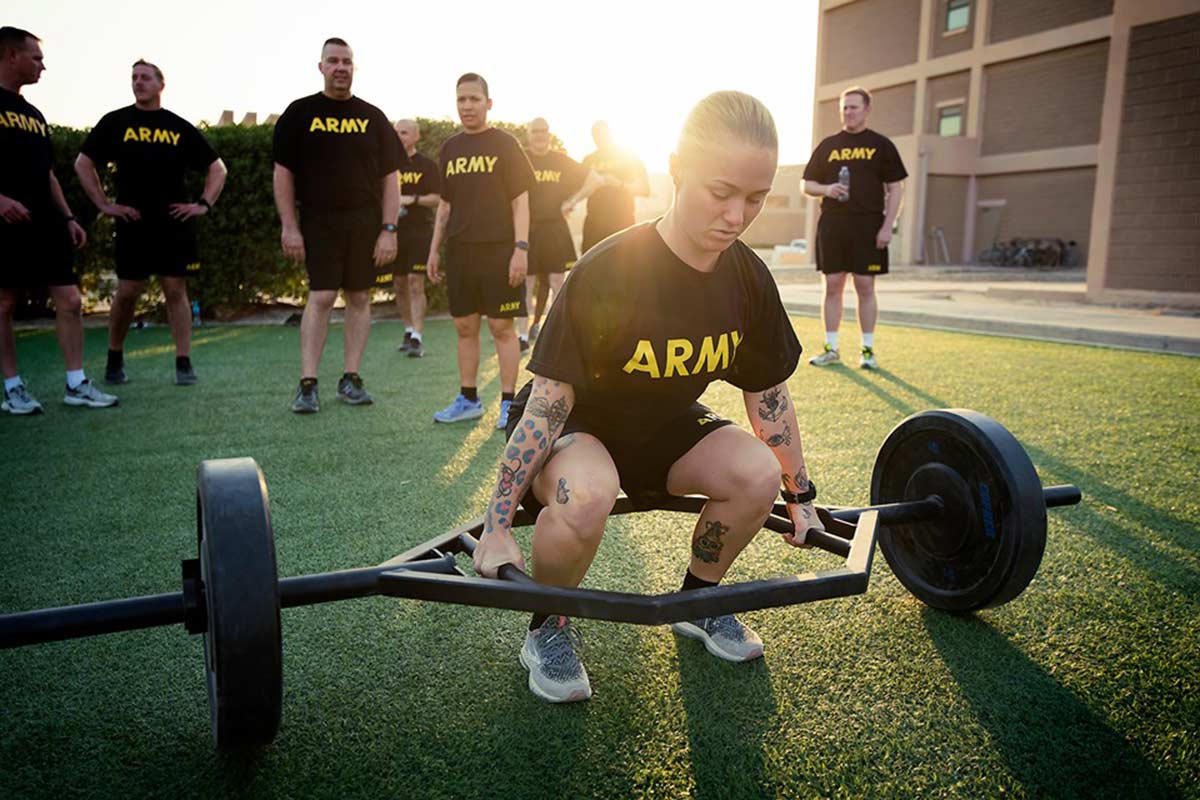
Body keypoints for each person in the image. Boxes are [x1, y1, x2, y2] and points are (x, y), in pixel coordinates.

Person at [472, 91, 822, 703]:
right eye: (721, 192)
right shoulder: (610, 271)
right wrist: (498, 523)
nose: (738, 215)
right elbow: (548, 405)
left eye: (755, 198)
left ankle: (699, 597)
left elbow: (768, 394)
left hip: (663, 426)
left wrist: (801, 496)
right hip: (577, 425)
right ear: (678, 170)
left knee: (755, 473)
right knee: (588, 493)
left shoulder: (747, 278)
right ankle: (548, 627)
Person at [272, 37, 405, 413]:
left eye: (347, 61)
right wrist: (289, 226)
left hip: (365, 222)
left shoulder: (373, 117)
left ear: (354, 67)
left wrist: (388, 228)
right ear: (321, 67)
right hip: (318, 220)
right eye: (333, 61)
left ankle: (351, 378)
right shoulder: (299, 114)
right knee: (323, 296)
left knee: (360, 297)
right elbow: (283, 174)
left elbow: (390, 179)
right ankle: (308, 383)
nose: (341, 67)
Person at [75, 59, 227, 386]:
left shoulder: (178, 126)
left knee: (175, 288)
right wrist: (103, 204)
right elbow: (83, 163)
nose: (138, 82)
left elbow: (218, 168)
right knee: (128, 290)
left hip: (173, 221)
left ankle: (183, 362)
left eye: (145, 77)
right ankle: (114, 358)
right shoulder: (116, 122)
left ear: (161, 84)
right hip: (133, 222)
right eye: (134, 78)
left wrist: (202, 204)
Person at [0, 26, 117, 415]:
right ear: (10, 56)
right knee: (3, 302)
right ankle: (13, 387)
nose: (43, 67)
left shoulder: (33, 114)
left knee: (69, 299)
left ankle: (76, 382)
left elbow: (47, 173)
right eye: (36, 58)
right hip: (4, 222)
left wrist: (67, 216)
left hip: (45, 221)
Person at [427, 73, 534, 429]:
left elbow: (521, 201)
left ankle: (507, 404)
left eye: (474, 99)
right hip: (460, 251)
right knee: (463, 326)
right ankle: (468, 399)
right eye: (461, 100)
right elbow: (444, 206)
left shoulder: (505, 144)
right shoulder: (450, 149)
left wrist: (521, 248)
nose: (467, 106)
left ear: (488, 103)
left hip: (499, 251)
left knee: (502, 327)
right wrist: (433, 252)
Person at [802, 86, 906, 369]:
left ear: (867, 109)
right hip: (833, 225)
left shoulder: (881, 145)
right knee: (832, 286)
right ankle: (831, 348)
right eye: (844, 107)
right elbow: (806, 184)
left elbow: (896, 189)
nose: (848, 112)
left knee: (865, 286)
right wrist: (827, 188)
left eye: (854, 107)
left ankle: (867, 351)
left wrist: (888, 226)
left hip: (868, 226)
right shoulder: (828, 145)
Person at [520, 117, 603, 346]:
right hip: (527, 228)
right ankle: (523, 335)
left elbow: (595, 179)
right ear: (528, 134)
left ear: (548, 133)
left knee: (558, 281)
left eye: (544, 131)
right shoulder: (521, 158)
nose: (540, 135)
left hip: (555, 227)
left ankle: (553, 333)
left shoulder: (560, 160)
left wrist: (573, 200)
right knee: (526, 282)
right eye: (535, 131)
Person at [386, 119, 441, 359]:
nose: (399, 137)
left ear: (416, 136)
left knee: (415, 281)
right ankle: (408, 330)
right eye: (396, 132)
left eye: (404, 132)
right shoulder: (387, 165)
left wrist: (412, 199)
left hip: (420, 232)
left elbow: (438, 198)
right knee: (399, 283)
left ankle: (418, 337)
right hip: (394, 233)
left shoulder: (426, 166)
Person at [579, 120, 649, 252]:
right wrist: (569, 203)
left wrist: (619, 184)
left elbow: (645, 189)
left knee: (625, 270)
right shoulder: (588, 160)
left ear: (611, 134)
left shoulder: (629, 156)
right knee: (592, 270)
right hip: (594, 225)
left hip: (622, 221)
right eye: (596, 134)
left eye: (603, 133)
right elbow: (579, 191)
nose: (600, 137)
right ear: (593, 137)